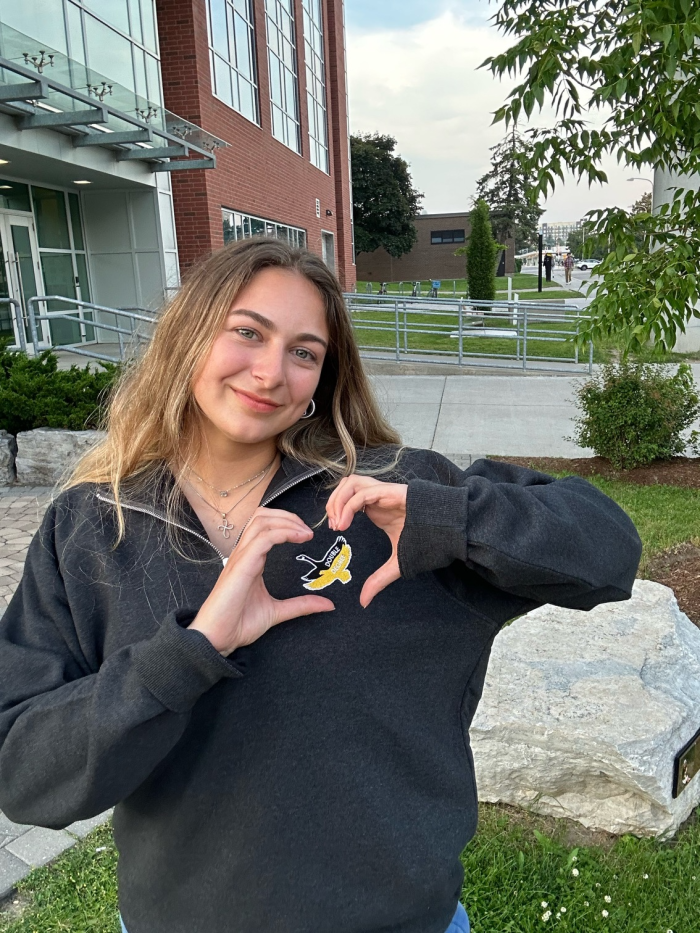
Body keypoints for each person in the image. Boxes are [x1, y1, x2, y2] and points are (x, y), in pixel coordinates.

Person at [0, 238, 642, 933]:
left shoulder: (388, 491)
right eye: (248, 332)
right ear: (188, 337)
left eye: (304, 352)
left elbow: (607, 551)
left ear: (321, 378)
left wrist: (449, 521)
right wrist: (190, 651)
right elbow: (24, 772)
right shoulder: (92, 525)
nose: (272, 371)